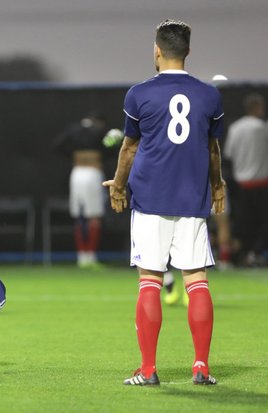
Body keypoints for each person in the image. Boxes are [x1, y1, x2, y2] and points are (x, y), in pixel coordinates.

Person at [103, 19, 226, 386]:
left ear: (157, 50)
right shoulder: (209, 95)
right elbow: (212, 148)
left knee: (150, 281)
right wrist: (217, 186)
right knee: (197, 280)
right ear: (187, 51)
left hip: (150, 199)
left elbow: (129, 147)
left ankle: (149, 369)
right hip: (192, 199)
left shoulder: (139, 93)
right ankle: (201, 367)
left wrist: (119, 187)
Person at [53, 113, 116, 269]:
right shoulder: (100, 131)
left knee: (79, 215)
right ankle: (90, 256)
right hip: (93, 172)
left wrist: (74, 155)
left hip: (77, 173)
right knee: (93, 216)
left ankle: (82, 256)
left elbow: (58, 145)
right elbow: (111, 146)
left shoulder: (73, 130)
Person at [224, 93, 268, 267]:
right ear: (257, 108)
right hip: (262, 184)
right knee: (262, 224)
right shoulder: (263, 128)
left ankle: (246, 253)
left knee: (244, 223)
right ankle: (255, 253)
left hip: (241, 186)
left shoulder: (236, 128)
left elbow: (228, 154)